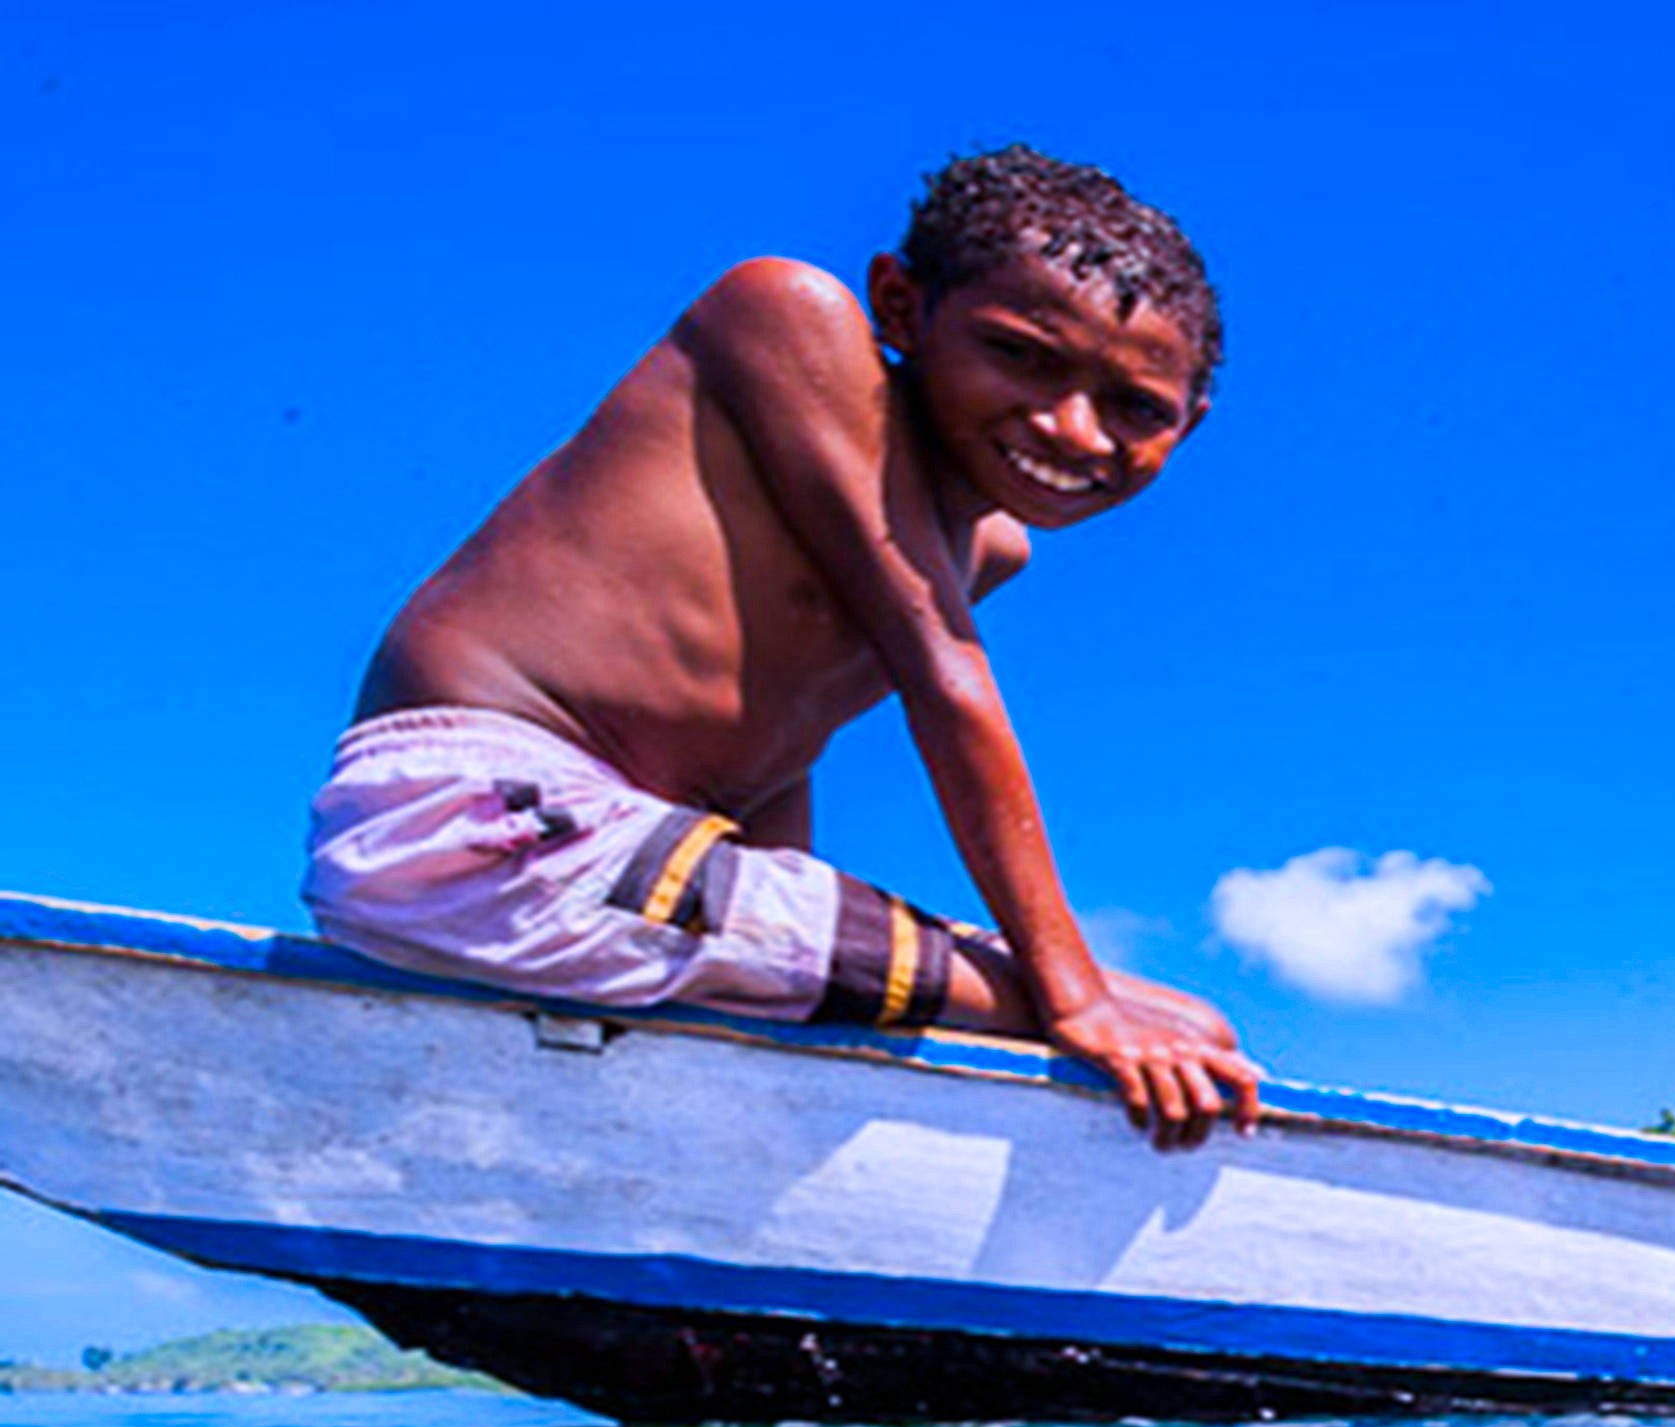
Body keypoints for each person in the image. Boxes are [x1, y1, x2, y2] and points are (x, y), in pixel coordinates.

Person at [304, 148, 1264, 1149]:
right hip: (489, 829)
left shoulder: (987, 551)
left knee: (1193, 1029)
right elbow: (946, 675)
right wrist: (1074, 1000)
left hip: (632, 870)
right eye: (1019, 353)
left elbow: (767, 758)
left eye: (1136, 409)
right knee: (1131, 1025)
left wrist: (788, 1010)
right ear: (899, 305)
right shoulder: (784, 316)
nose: (1074, 429)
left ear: (1188, 425)